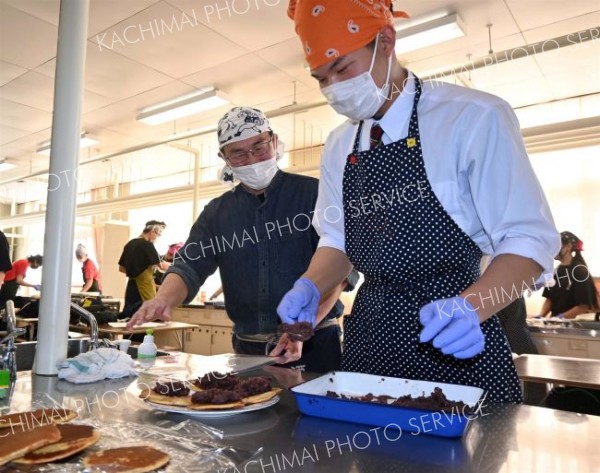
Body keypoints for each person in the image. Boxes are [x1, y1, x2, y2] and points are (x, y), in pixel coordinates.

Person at [276, 1, 559, 402]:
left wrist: (473, 308)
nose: (333, 88)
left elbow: (529, 242)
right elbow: (337, 241)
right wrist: (310, 284)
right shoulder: (340, 145)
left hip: (457, 338)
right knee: (370, 459)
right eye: (321, 78)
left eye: (342, 69)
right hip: (371, 343)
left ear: (386, 41)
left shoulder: (473, 117)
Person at [128, 106, 357, 373]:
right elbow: (189, 266)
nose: (252, 159)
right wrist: (163, 299)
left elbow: (341, 272)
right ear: (223, 157)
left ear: (273, 140)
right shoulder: (217, 213)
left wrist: (303, 327)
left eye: (259, 146)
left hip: (315, 344)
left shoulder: (314, 196)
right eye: (238, 152)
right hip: (248, 351)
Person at [540, 231, 599, 319]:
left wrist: (561, 317)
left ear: (568, 247)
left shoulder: (580, 271)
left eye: (557, 246)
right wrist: (541, 316)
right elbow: (549, 299)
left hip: (575, 326)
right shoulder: (556, 271)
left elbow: (583, 306)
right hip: (557, 325)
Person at [118, 221, 168, 310]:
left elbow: (121, 268)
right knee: (149, 315)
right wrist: (179, 267)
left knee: (130, 315)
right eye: (158, 234)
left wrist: (135, 273)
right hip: (144, 288)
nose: (158, 238)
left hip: (131, 288)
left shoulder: (130, 244)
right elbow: (162, 266)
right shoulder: (147, 245)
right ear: (152, 231)